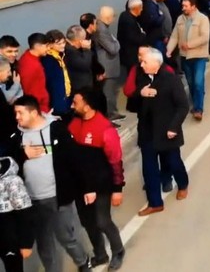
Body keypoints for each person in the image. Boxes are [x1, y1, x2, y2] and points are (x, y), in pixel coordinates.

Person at [7, 95, 94, 272]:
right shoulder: (16, 137)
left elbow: (74, 160)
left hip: (57, 197)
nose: (16, 117)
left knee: (66, 237)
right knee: (44, 244)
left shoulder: (57, 130)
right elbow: (7, 165)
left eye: (20, 113)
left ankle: (83, 261)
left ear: (33, 112)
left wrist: (87, 188)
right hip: (32, 201)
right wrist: (23, 155)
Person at [69, 89, 126, 270]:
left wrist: (117, 189)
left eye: (75, 102)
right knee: (87, 222)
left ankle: (118, 251)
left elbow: (116, 161)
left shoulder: (105, 129)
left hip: (101, 185)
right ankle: (100, 255)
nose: (72, 105)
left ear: (87, 106)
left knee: (102, 221)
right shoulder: (74, 124)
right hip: (80, 185)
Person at [134, 48, 190, 216]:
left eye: (145, 62)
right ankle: (155, 203)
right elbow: (133, 100)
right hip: (147, 131)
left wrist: (174, 127)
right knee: (149, 169)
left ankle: (183, 184)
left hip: (166, 131)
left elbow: (183, 106)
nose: (141, 64)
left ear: (156, 63)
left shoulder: (171, 80)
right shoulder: (141, 77)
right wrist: (140, 93)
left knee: (173, 162)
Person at [166, 0, 210, 121]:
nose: (183, 8)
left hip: (199, 56)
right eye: (182, 5)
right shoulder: (180, 19)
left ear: (193, 6)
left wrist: (189, 45)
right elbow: (174, 36)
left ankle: (198, 109)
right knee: (190, 83)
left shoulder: (202, 19)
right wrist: (169, 49)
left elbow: (204, 37)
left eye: (185, 6)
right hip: (185, 57)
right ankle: (197, 100)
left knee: (198, 82)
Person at [0, 155, 35, 272]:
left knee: (13, 267)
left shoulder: (13, 181)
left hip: (9, 239)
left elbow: (25, 212)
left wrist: (26, 242)